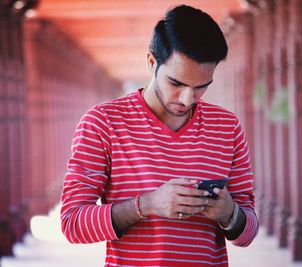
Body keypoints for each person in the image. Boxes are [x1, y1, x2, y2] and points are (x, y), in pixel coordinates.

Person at [60, 4, 259, 267]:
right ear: (152, 62)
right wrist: (146, 205)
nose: (187, 99)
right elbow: (72, 224)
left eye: (201, 87)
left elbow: (247, 233)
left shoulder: (227, 127)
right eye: (176, 83)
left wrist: (229, 213)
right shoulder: (103, 123)